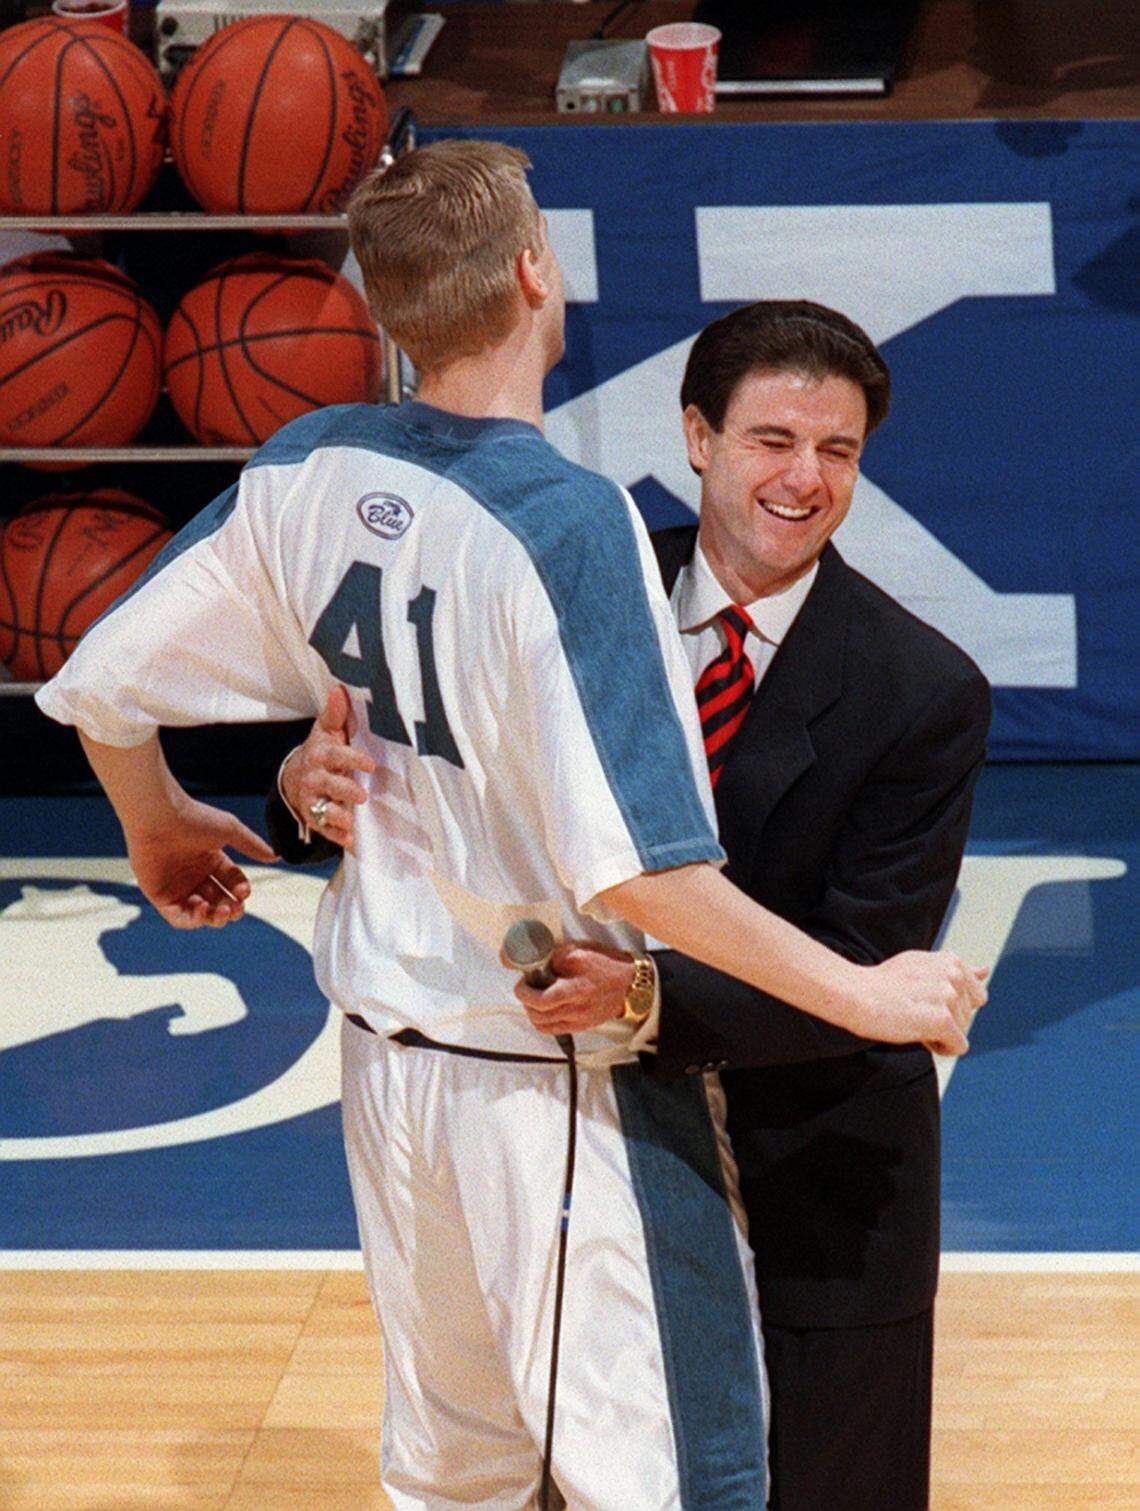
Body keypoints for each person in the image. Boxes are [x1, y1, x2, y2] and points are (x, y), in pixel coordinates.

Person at [37, 140, 983, 1509]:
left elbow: (102, 683)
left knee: (456, 1468)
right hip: (543, 1080)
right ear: (539, 274)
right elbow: (644, 868)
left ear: (381, 306)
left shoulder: (309, 459)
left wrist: (159, 821)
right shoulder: (570, 523)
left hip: (385, 1061)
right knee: (674, 1475)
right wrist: (872, 991)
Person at [276, 299, 992, 1508]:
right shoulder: (554, 580)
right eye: (773, 439)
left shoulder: (922, 689)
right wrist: (307, 780)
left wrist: (649, 996)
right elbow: (410, 752)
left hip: (810, 1160)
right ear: (698, 436)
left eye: (839, 450)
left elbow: (862, 970)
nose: (805, 479)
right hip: (567, 1133)